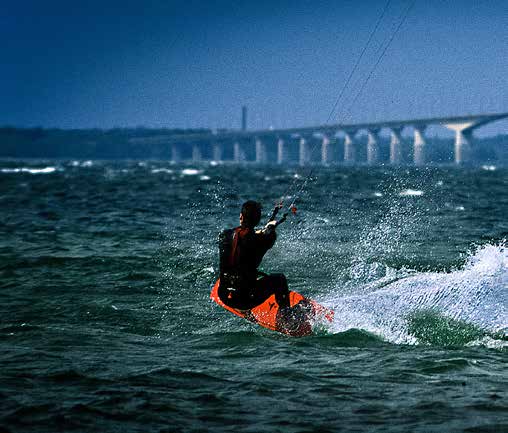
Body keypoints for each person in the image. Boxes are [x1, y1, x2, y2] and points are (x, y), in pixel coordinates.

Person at [218, 200, 290, 311]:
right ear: (257, 221)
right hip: (245, 300)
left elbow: (241, 237)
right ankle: (286, 316)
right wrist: (270, 230)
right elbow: (268, 240)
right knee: (280, 279)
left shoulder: (224, 235)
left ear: (241, 217)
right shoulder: (261, 241)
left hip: (223, 295)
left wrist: (259, 232)